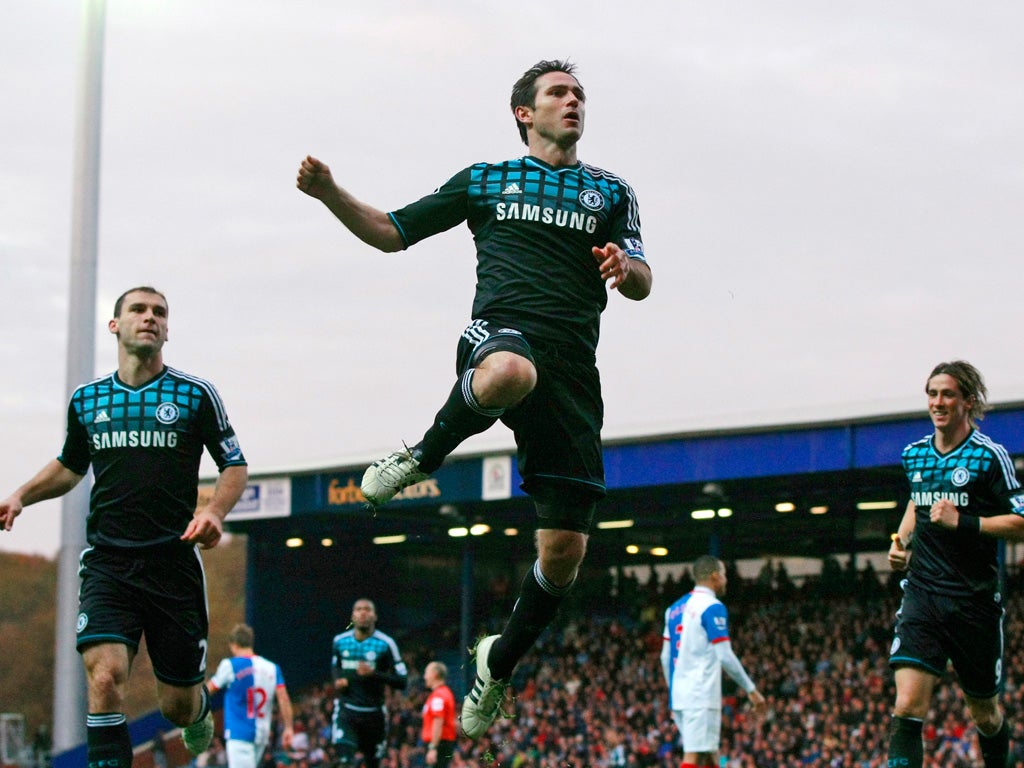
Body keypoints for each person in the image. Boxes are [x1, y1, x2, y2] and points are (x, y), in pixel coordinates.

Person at [297, 58, 652, 740]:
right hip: (501, 334)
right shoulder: (486, 181)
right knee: (510, 372)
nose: (573, 101)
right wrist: (331, 193)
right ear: (525, 112)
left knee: (564, 556)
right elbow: (392, 231)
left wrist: (622, 268)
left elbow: (641, 278)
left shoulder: (611, 191)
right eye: (558, 93)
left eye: (579, 94)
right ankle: (421, 456)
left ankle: (498, 661)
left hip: (575, 373)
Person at [0, 286, 248, 768]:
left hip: (174, 565)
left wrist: (214, 511)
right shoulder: (88, 400)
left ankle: (197, 713)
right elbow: (70, 466)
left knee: (176, 706)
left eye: (159, 312)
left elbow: (234, 465)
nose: (149, 317)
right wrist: (20, 496)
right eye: (138, 309)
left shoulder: (195, 395)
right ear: (115, 325)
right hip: (109, 564)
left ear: (167, 330)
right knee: (104, 674)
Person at [887, 360, 1024, 768]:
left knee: (985, 713)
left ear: (968, 401)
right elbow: (918, 498)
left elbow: (1021, 522)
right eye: (932, 393)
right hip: (923, 594)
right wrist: (900, 540)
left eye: (947, 394)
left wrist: (964, 521)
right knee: (908, 704)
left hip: (973, 602)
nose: (938, 402)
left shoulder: (989, 457)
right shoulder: (914, 455)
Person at [661, 555, 766, 768]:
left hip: (680, 695)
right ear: (715, 577)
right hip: (700, 694)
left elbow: (665, 658)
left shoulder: (673, 609)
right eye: (725, 575)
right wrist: (751, 690)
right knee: (693, 757)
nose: (726, 580)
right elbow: (725, 655)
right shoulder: (712, 606)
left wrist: (674, 690)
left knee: (709, 754)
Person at [329, 599, 408, 768]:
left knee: (372, 763)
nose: (363, 612)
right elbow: (335, 665)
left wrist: (374, 674)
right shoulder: (340, 641)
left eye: (367, 609)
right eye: (358, 609)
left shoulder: (386, 644)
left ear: (375, 616)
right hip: (346, 712)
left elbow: (402, 681)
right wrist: (337, 681)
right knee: (344, 762)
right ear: (353, 615)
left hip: (374, 715)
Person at [207, 623, 295, 768]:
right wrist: (288, 727)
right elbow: (283, 698)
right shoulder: (272, 668)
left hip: (238, 734)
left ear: (234, 645)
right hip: (262, 735)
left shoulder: (230, 665)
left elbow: (209, 689)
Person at [421, 661, 457, 768]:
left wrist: (433, 748)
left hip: (439, 745)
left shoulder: (439, 695)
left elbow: (438, 721)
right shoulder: (440, 693)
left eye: (426, 673)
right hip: (440, 744)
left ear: (435, 674)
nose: (424, 676)